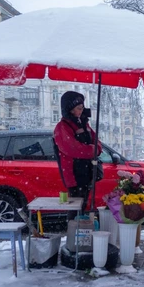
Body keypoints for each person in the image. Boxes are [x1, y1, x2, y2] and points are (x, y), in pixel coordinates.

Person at [54, 91, 102, 220]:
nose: (81, 111)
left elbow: (96, 140)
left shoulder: (83, 123)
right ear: (70, 109)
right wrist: (93, 150)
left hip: (86, 171)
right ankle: (73, 232)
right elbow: (72, 148)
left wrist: (95, 148)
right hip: (74, 173)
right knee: (75, 205)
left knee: (83, 203)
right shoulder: (63, 127)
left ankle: (80, 232)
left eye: (82, 108)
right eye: (78, 108)